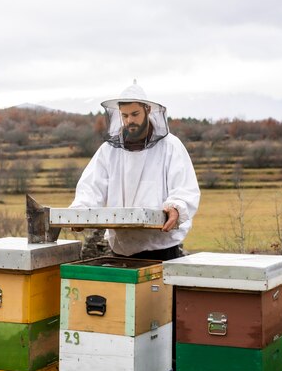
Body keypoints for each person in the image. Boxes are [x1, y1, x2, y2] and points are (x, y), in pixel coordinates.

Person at [70, 81, 200, 261]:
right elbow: (92, 186)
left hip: (162, 248)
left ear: (147, 109)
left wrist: (176, 207)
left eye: (135, 114)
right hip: (120, 248)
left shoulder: (171, 146)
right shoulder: (109, 150)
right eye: (125, 115)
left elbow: (184, 188)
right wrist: (80, 211)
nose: (129, 120)